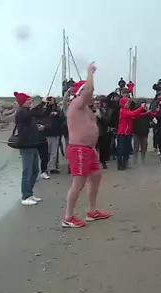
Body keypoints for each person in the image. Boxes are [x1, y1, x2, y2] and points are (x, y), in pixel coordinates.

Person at [62, 63, 112, 228]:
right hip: (79, 149)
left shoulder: (86, 108)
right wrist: (90, 73)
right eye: (87, 92)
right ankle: (68, 217)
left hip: (89, 149)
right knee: (79, 182)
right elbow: (88, 90)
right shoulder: (77, 103)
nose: (92, 95)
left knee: (96, 176)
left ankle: (92, 211)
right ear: (81, 92)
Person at [14, 92, 45, 206]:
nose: (30, 101)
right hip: (26, 146)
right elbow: (34, 112)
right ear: (22, 102)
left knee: (35, 170)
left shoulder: (26, 113)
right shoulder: (21, 112)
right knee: (27, 172)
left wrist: (37, 127)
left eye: (30, 100)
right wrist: (42, 103)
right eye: (28, 100)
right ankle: (25, 196)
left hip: (32, 145)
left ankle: (30, 193)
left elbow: (34, 116)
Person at [116, 95, 148, 170]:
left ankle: (125, 164)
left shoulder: (127, 110)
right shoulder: (123, 111)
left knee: (127, 149)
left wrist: (145, 114)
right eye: (127, 102)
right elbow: (133, 114)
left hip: (128, 133)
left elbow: (135, 116)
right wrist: (141, 108)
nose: (129, 104)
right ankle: (120, 165)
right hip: (122, 133)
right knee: (121, 150)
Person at [40, 96, 65, 174]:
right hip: (46, 133)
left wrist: (57, 114)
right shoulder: (44, 109)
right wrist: (45, 105)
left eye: (51, 100)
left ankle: (52, 168)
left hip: (55, 133)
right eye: (49, 100)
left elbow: (62, 118)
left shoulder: (58, 108)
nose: (50, 101)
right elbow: (41, 115)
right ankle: (45, 168)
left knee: (54, 152)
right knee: (46, 152)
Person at [93, 97, 111, 169]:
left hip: (102, 133)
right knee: (93, 149)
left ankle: (103, 162)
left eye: (98, 103)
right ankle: (94, 163)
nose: (96, 105)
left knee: (103, 149)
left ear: (100, 104)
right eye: (95, 103)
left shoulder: (103, 111)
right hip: (93, 133)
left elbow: (107, 120)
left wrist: (100, 116)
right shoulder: (90, 111)